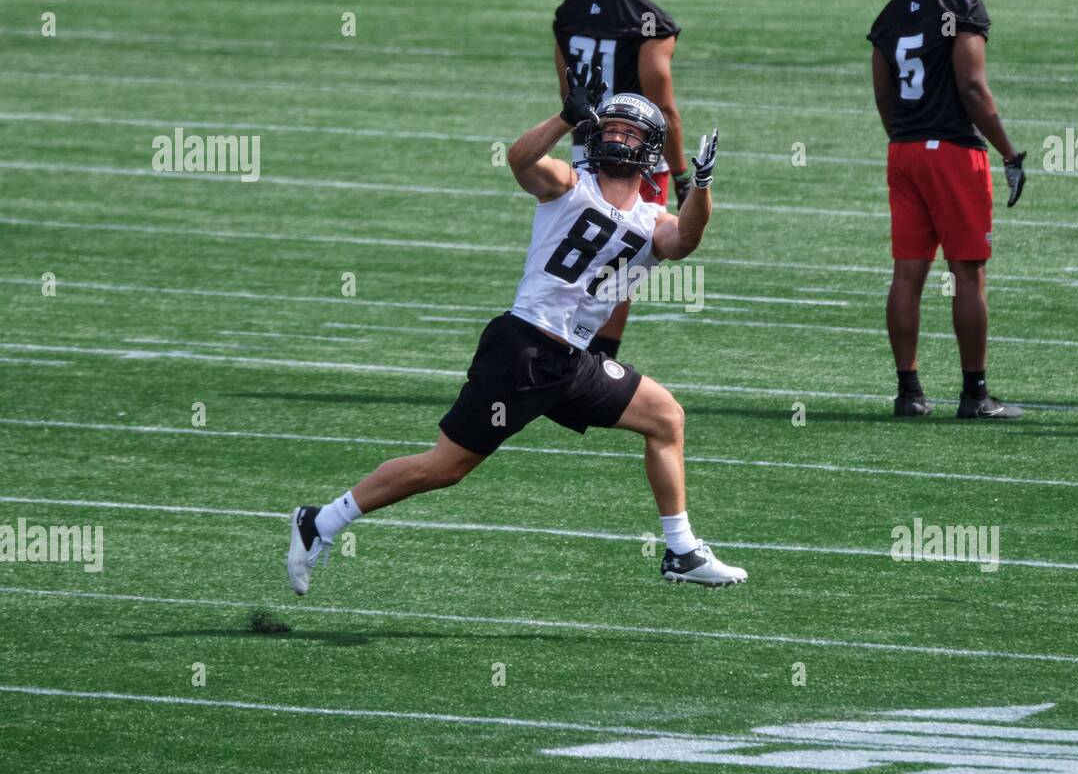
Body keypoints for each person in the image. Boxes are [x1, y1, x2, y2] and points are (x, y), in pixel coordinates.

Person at [286, 66, 748, 592]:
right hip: (524, 349)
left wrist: (704, 187)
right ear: (597, 136)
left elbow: (687, 238)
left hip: (573, 362)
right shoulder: (569, 185)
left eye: (632, 132)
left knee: (666, 417)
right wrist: (564, 117)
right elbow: (519, 159)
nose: (619, 137)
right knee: (445, 468)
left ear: (649, 148)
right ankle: (320, 521)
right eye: (612, 127)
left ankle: (682, 551)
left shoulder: (653, 221)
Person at [868, 0, 1027, 419]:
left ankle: (909, 391)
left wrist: (905, 138)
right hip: (954, 153)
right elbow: (973, 87)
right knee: (968, 275)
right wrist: (1008, 149)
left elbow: (883, 91)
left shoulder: (892, 10)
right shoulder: (963, 6)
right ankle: (975, 393)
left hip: (905, 150)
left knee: (907, 274)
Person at [552, 0, 688, 360]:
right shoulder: (650, 20)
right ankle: (601, 358)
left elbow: (568, 97)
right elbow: (663, 106)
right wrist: (684, 175)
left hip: (585, 151)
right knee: (629, 256)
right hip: (637, 158)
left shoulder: (570, 10)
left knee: (579, 249)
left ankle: (563, 341)